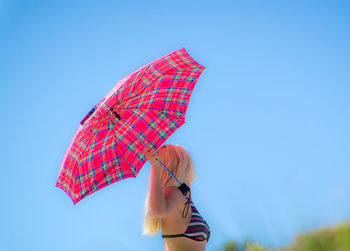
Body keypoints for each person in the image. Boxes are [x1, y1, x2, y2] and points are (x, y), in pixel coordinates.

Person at [143, 144, 210, 251]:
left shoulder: (184, 196)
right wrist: (156, 168)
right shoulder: (173, 192)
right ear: (180, 166)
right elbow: (159, 211)